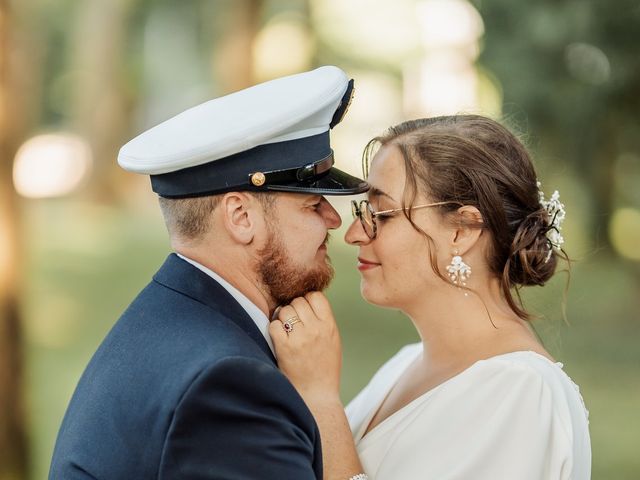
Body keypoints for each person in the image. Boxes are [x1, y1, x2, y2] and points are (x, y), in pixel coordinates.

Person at [49, 66, 369, 479]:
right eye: (311, 204)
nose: (333, 219)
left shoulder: (168, 319)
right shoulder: (228, 384)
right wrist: (321, 399)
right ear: (240, 216)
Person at [271, 115, 592, 479]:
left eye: (382, 215)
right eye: (365, 212)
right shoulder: (403, 365)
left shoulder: (521, 393)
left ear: (462, 230)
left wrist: (319, 399)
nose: (355, 234)